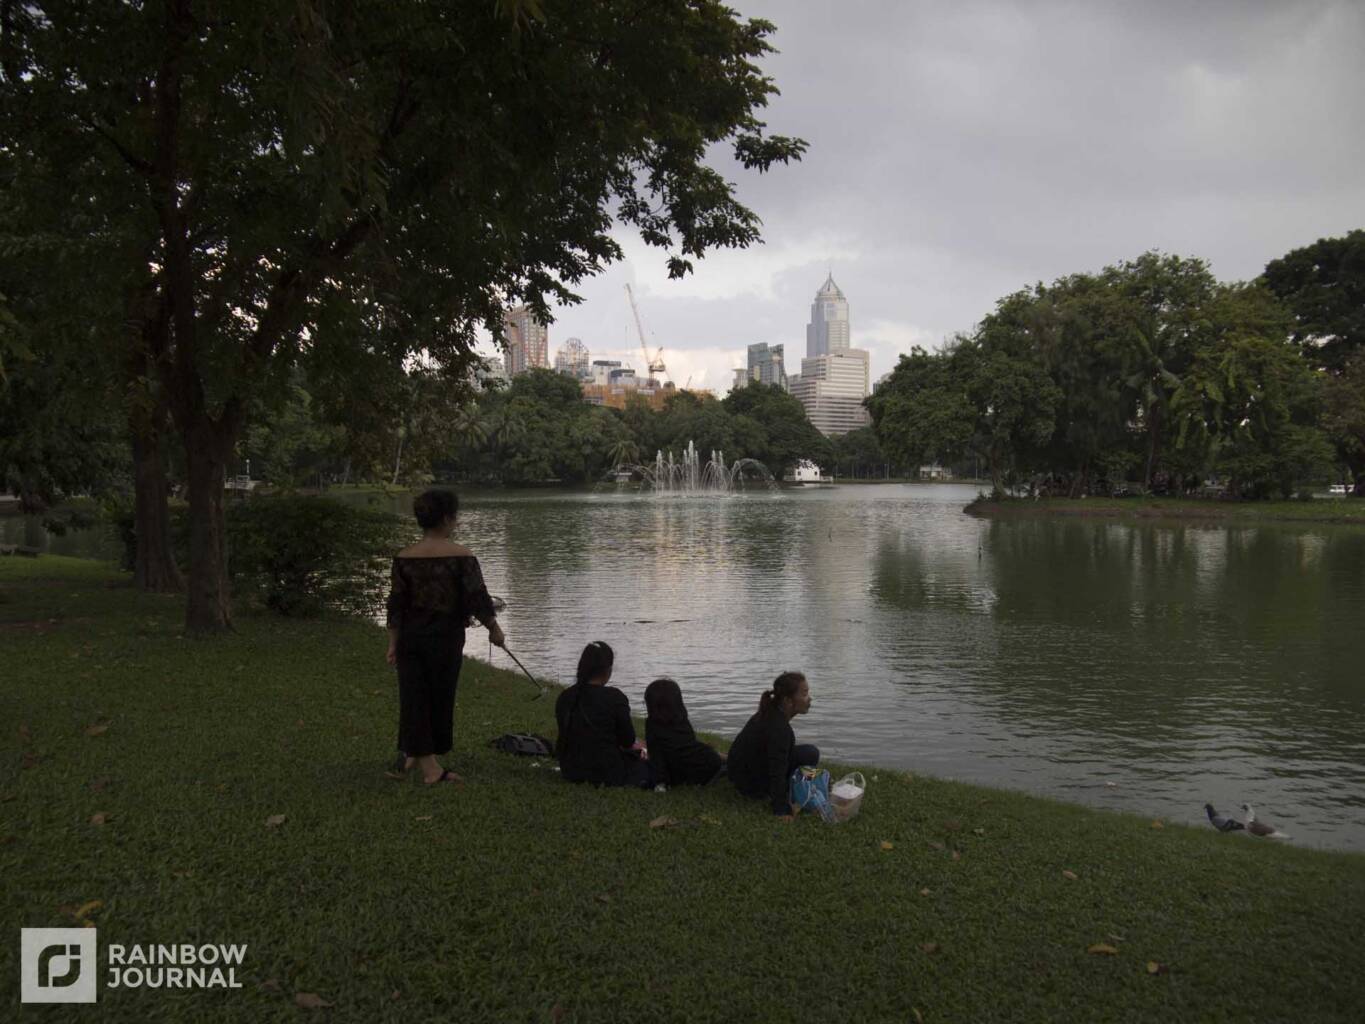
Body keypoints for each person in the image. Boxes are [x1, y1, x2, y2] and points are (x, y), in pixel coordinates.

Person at [386, 489, 505, 785]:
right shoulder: (462, 556)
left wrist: (392, 643)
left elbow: (396, 606)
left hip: (411, 639)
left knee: (414, 696)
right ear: (447, 518)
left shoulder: (404, 557)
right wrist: (494, 628)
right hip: (445, 639)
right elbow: (478, 597)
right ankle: (432, 771)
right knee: (437, 697)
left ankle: (415, 752)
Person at [555, 641, 651, 788]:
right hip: (607, 772)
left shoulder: (566, 696)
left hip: (570, 770)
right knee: (649, 762)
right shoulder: (615, 697)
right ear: (608, 669)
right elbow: (627, 740)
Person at [727, 671, 818, 818]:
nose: (809, 699)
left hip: (742, 775)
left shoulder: (769, 713)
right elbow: (777, 771)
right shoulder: (779, 729)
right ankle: (805, 787)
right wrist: (781, 811)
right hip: (753, 786)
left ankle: (810, 783)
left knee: (808, 753)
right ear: (788, 701)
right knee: (811, 753)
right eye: (804, 694)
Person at [644, 678, 724, 789]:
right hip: (704, 763)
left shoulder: (651, 724)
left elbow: (656, 756)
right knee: (714, 757)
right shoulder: (681, 718)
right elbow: (688, 743)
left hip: (679, 770)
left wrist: (661, 782)